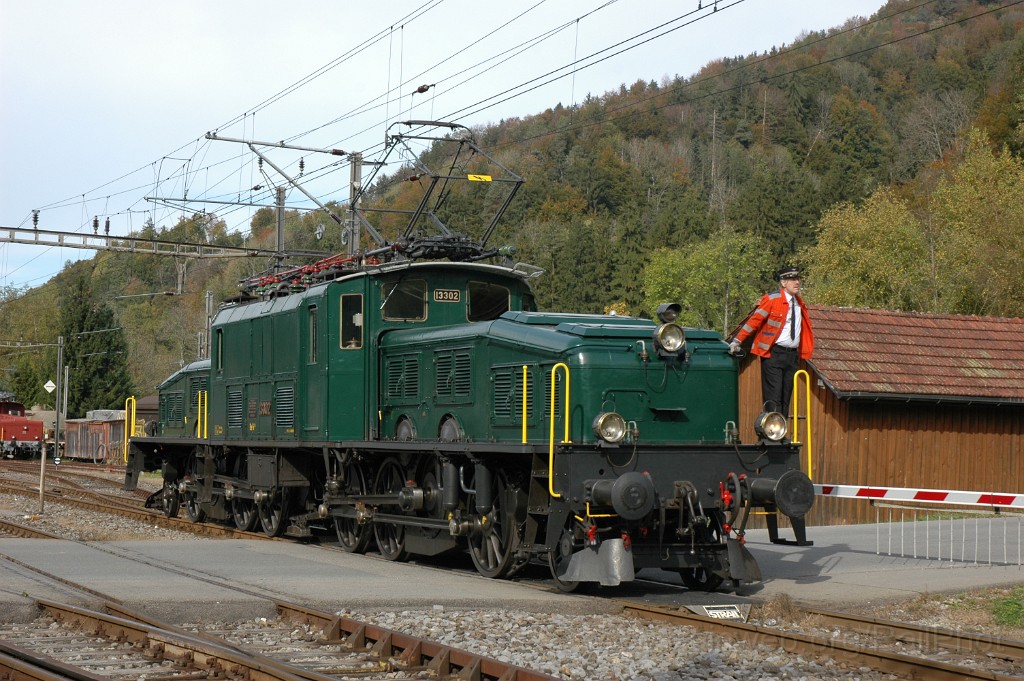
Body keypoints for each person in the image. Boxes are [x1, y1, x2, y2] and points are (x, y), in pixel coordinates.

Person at [729, 266, 814, 417]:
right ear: (783, 282)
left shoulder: (799, 303)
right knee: (773, 397)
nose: (797, 282)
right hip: (774, 353)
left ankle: (780, 434)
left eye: (798, 279)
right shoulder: (771, 299)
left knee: (785, 397)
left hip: (792, 356)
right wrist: (737, 340)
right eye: (792, 279)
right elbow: (754, 321)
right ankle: (771, 434)